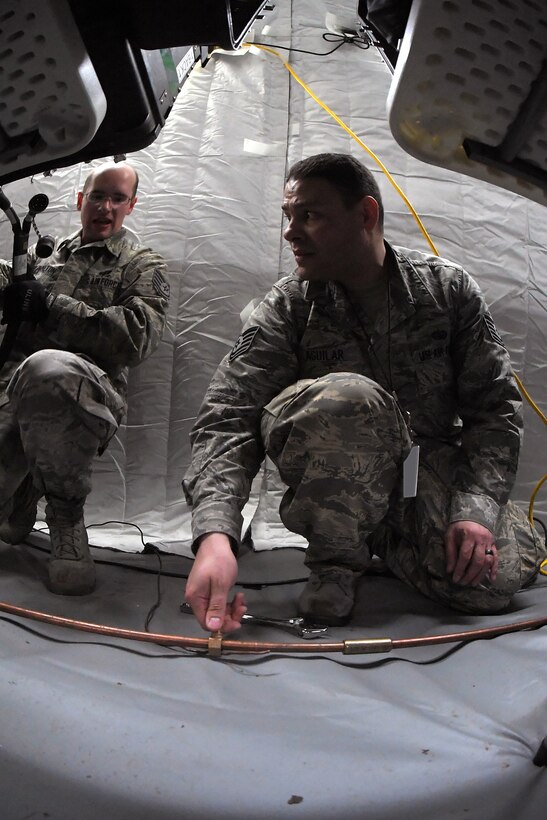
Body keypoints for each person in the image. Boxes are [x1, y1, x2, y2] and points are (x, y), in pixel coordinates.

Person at [182, 152, 545, 631]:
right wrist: (215, 536)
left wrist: (474, 513)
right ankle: (337, 561)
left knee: (486, 588)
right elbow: (228, 416)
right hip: (339, 475)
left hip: (424, 471)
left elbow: (494, 413)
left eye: (309, 215)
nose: (291, 232)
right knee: (349, 399)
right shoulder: (290, 306)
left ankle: (392, 537)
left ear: (366, 215)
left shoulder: (448, 291)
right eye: (289, 216)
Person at [0, 161, 169, 595]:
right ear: (80, 200)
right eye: (98, 196)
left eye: (117, 198)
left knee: (48, 368)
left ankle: (65, 517)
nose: (106, 207)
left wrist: (51, 306)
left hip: (85, 397)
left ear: (131, 205)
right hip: (13, 393)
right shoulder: (45, 256)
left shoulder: (141, 265)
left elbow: (138, 338)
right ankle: (19, 494)